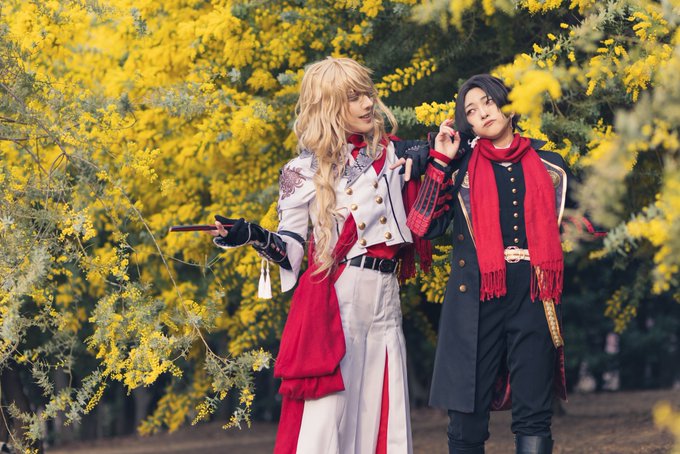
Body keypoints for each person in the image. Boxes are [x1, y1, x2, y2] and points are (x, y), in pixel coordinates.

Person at [209, 56, 431, 454]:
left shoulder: (394, 153)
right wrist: (252, 235)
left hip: (385, 295)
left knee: (384, 403)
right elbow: (292, 251)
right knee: (330, 414)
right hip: (339, 301)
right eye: (353, 97)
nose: (368, 104)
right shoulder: (300, 170)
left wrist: (427, 153)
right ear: (328, 105)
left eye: (367, 94)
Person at [406, 74, 598, 454]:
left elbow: (589, 223)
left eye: (488, 102)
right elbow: (423, 226)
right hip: (476, 299)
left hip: (534, 296)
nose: (482, 113)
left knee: (534, 414)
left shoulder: (550, 165)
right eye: (471, 111)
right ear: (467, 124)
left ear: (508, 104)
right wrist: (440, 160)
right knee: (466, 414)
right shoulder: (459, 169)